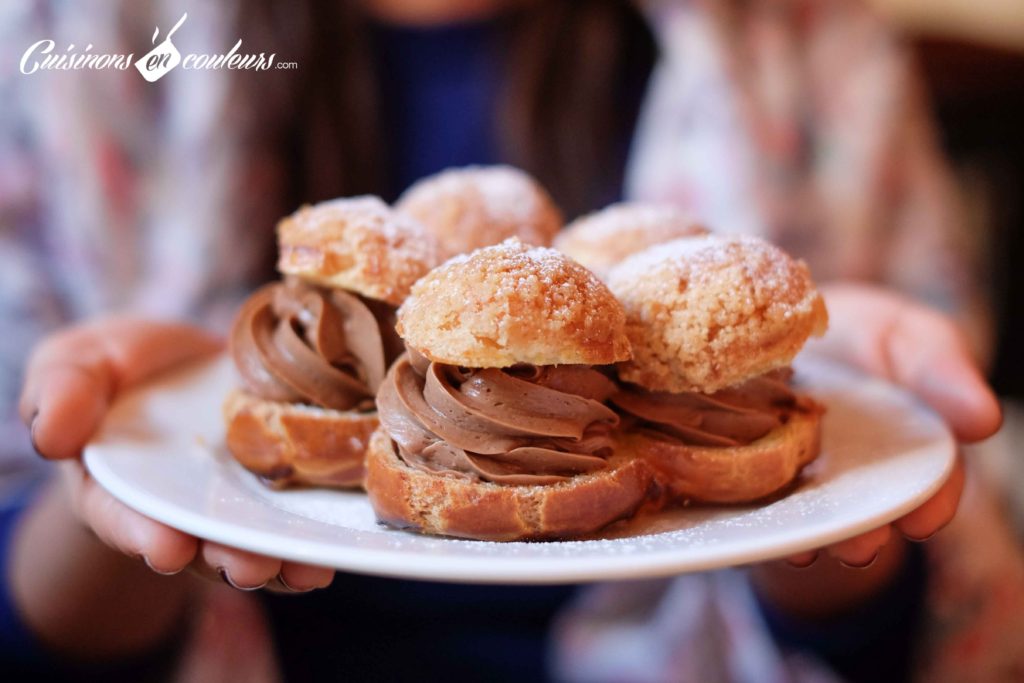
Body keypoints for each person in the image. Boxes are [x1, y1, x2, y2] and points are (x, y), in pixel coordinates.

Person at [0, 0, 1015, 681]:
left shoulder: (797, 35)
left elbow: (907, 632)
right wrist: (118, 464)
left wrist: (821, 525)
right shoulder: (78, 40)